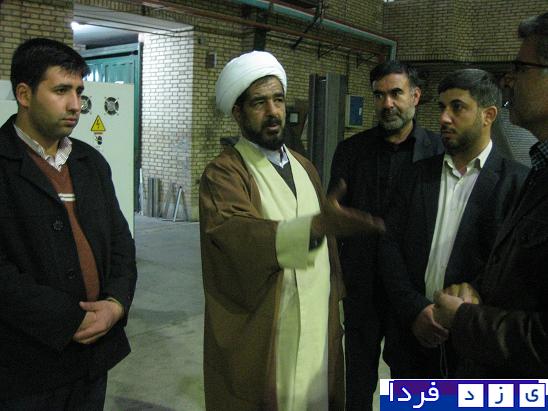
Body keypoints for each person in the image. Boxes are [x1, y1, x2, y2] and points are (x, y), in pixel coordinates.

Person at [199, 50, 384, 411]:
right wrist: (316, 227)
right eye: (259, 103)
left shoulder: (304, 166)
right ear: (238, 112)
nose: (273, 112)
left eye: (278, 100)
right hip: (269, 327)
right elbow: (235, 233)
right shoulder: (225, 172)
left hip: (316, 319)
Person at [0, 38, 137, 409]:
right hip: (25, 369)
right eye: (61, 91)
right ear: (24, 95)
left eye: (79, 91)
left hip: (92, 361)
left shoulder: (90, 163)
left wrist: (116, 303)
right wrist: (66, 319)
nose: (76, 104)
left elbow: (120, 243)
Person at [379, 68, 528, 378]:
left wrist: (464, 311)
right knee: (412, 401)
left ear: (488, 115)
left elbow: (514, 269)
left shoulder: (517, 185)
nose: (444, 118)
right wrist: (415, 310)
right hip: (412, 345)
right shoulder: (415, 176)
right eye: (442, 107)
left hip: (474, 352)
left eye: (457, 107)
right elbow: (388, 246)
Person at [433, 12, 548, 377]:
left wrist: (464, 319)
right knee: (407, 398)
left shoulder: (516, 176)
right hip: (477, 372)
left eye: (521, 68)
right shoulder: (540, 170)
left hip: (521, 391)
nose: (509, 80)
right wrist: (476, 292)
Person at [328, 60, 443, 410]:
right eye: (379, 95)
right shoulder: (351, 151)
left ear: (416, 96)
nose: (387, 103)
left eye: (396, 93)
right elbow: (332, 217)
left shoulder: (438, 153)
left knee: (410, 385)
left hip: (411, 292)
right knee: (357, 381)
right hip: (361, 288)